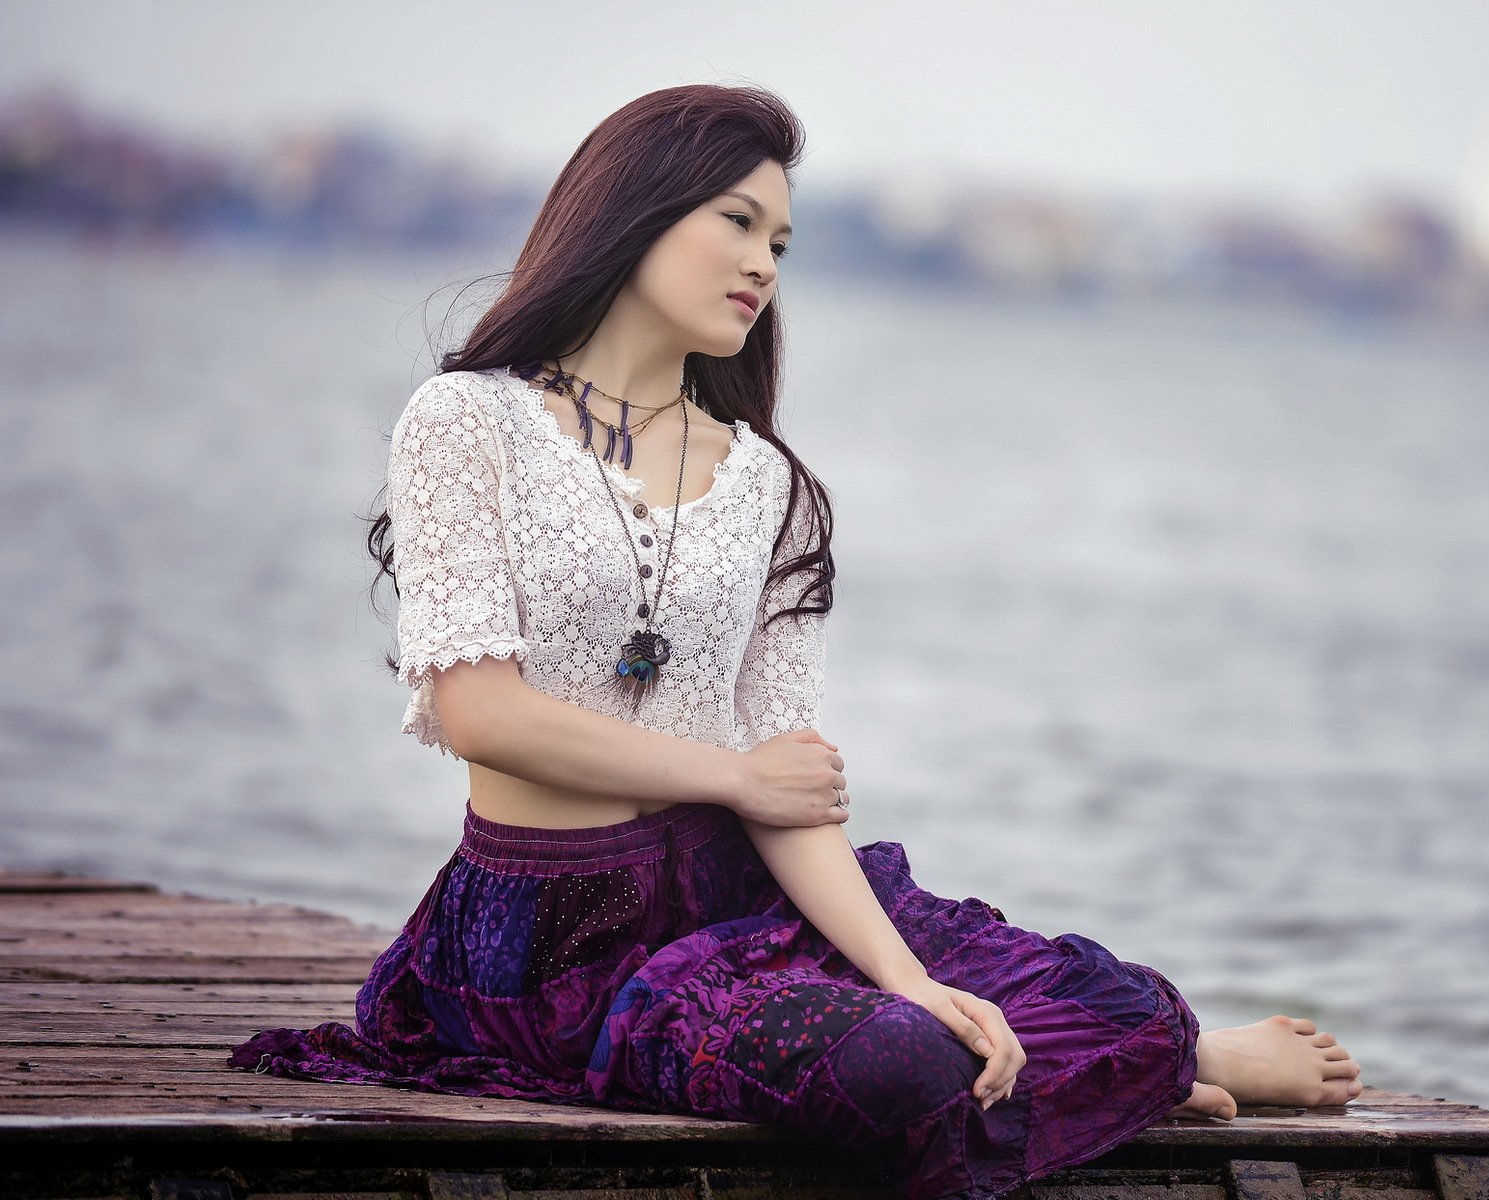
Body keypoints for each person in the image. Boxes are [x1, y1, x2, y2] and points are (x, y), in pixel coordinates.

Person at [229, 83, 1360, 1200]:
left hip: (731, 901)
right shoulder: (469, 421)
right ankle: (1148, 1077)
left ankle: (1160, 1055)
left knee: (1088, 1001)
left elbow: (794, 792)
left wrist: (907, 975)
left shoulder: (770, 484)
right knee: (899, 1066)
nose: (764, 263)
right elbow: (485, 714)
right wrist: (733, 777)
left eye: (779, 239)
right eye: (735, 221)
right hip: (544, 944)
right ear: (634, 209)